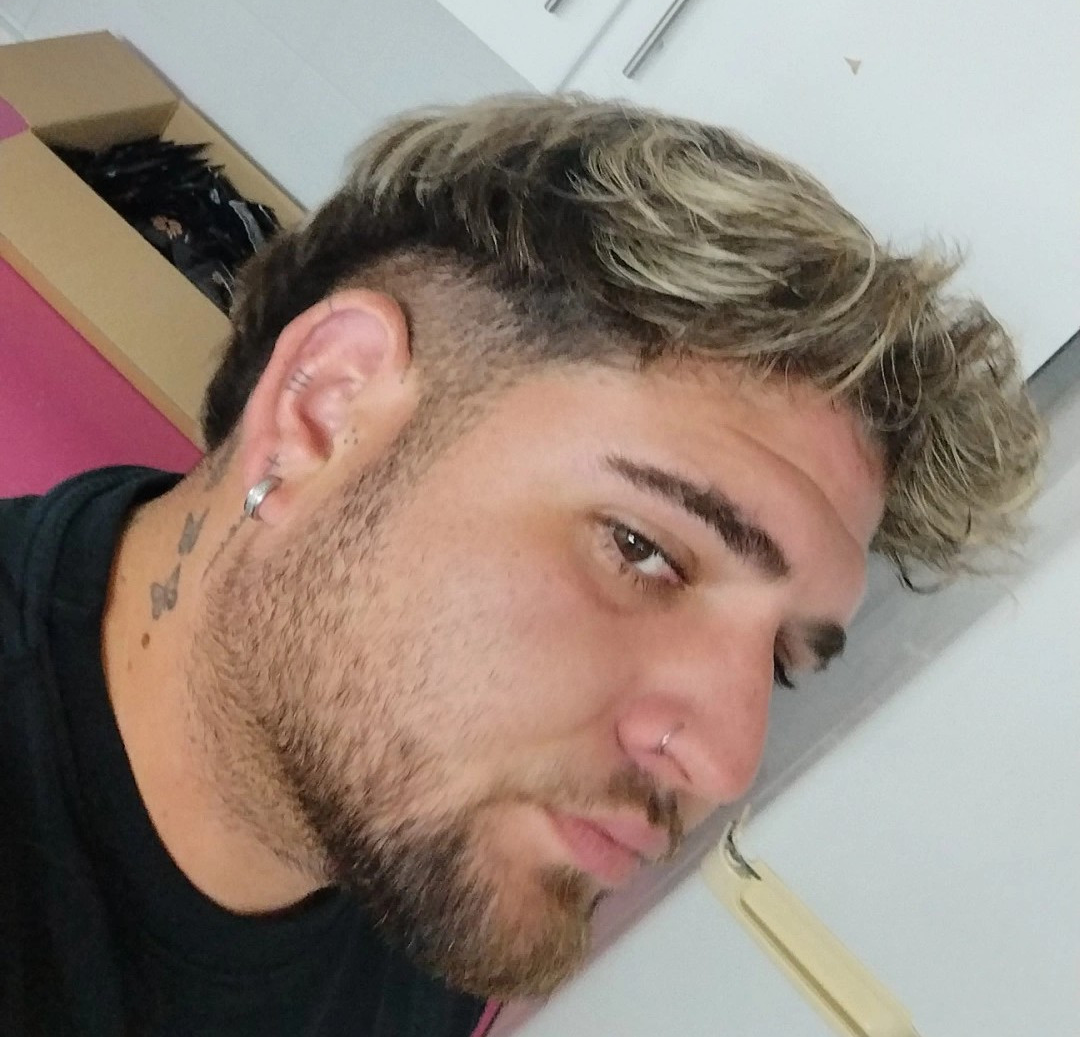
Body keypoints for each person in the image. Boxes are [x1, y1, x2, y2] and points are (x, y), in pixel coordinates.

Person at [0, 97, 1042, 1036]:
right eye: (642, 549)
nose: (726, 764)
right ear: (325, 412)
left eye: (778, 661)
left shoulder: (426, 879)